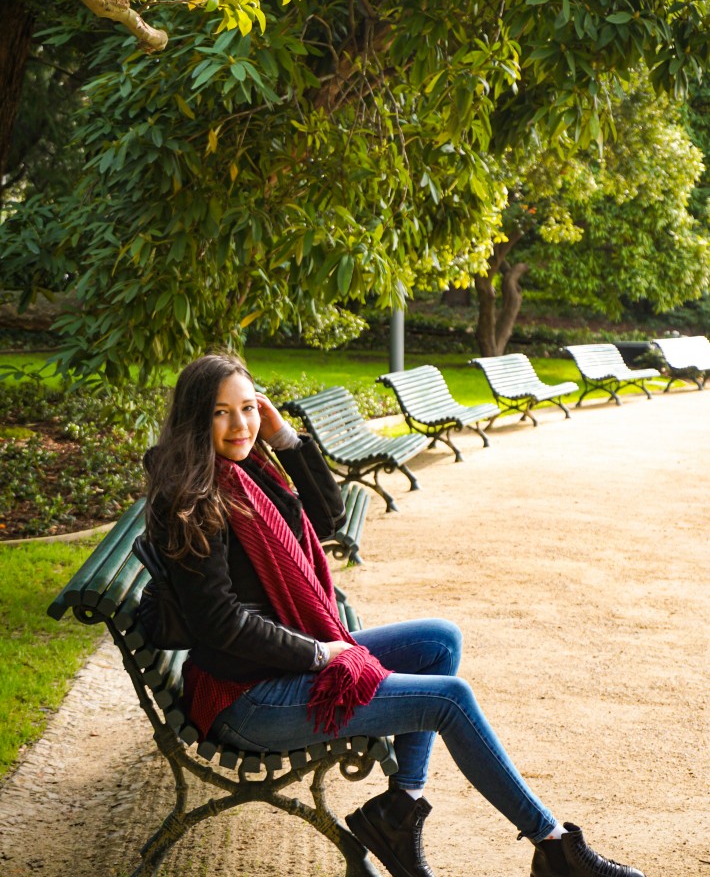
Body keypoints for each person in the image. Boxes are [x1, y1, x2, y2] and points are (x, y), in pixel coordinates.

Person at [143, 353, 646, 877]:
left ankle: (399, 810)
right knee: (450, 700)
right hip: (245, 700)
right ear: (196, 418)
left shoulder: (246, 473)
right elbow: (220, 621)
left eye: (248, 408)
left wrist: (287, 440)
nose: (240, 425)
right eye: (221, 412)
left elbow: (328, 517)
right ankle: (554, 846)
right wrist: (319, 654)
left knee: (440, 641)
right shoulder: (194, 499)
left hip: (277, 668)